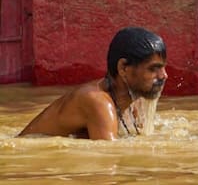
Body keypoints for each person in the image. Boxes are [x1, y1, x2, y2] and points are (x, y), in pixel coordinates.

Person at [19, 27, 168, 140]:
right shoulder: (98, 102)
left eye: (163, 67)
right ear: (123, 68)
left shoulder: (132, 100)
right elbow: (109, 159)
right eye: (153, 69)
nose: (164, 75)